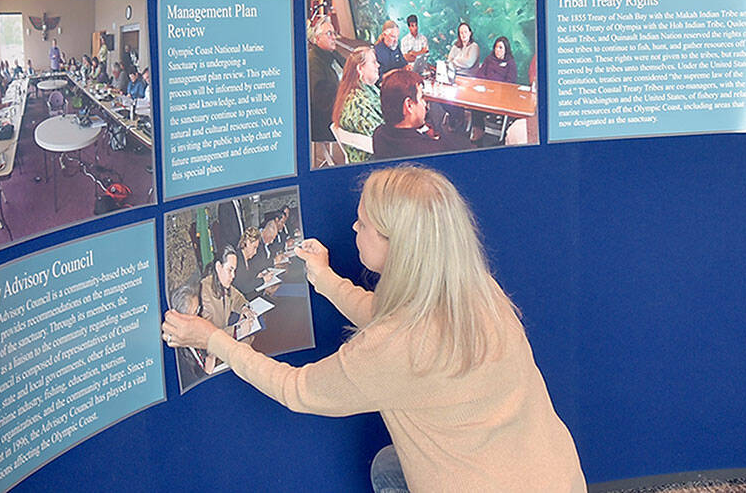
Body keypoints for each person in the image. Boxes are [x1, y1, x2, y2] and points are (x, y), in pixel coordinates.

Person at [161, 165, 585, 493]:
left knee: (386, 469)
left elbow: (297, 390)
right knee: (388, 464)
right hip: (557, 476)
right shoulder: (476, 288)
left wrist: (212, 338)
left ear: (395, 242)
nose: (353, 229)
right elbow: (397, 316)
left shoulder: (395, 346)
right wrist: (327, 281)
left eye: (362, 224)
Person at [371, 69, 460, 158]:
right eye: (421, 98)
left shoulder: (379, 134)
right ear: (409, 105)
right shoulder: (433, 150)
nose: (424, 104)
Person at [332, 46, 381, 163]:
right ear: (360, 69)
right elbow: (380, 138)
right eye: (374, 62)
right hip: (373, 162)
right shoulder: (357, 104)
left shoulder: (364, 90)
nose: (378, 65)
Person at [198, 245, 257, 334]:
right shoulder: (204, 292)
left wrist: (244, 308)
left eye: (234, 271)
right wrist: (237, 330)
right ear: (218, 267)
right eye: (230, 270)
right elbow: (209, 334)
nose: (233, 276)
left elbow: (237, 298)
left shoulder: (223, 284)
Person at [307, 16, 344, 144]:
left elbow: (350, 70)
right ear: (317, 39)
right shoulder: (314, 62)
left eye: (334, 33)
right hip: (325, 123)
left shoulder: (332, 54)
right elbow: (323, 101)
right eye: (329, 34)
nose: (334, 37)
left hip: (340, 109)